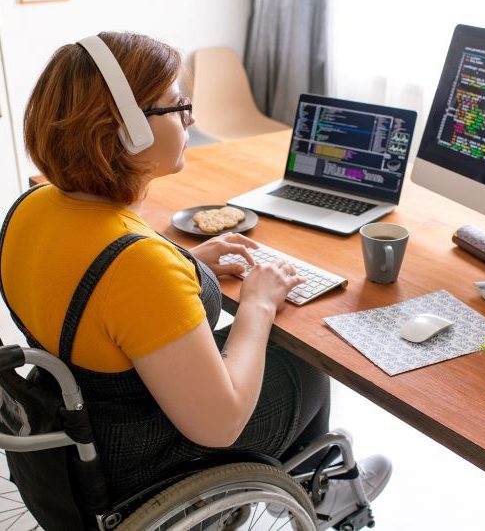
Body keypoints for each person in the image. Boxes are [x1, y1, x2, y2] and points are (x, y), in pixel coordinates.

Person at [0, 31, 391, 527]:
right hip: (138, 461)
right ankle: (328, 491)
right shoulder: (138, 266)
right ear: (128, 130)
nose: (192, 119)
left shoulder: (33, 206)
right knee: (305, 358)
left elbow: (96, 292)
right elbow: (220, 425)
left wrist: (185, 262)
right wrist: (258, 305)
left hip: (74, 424)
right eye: (178, 106)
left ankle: (323, 484)